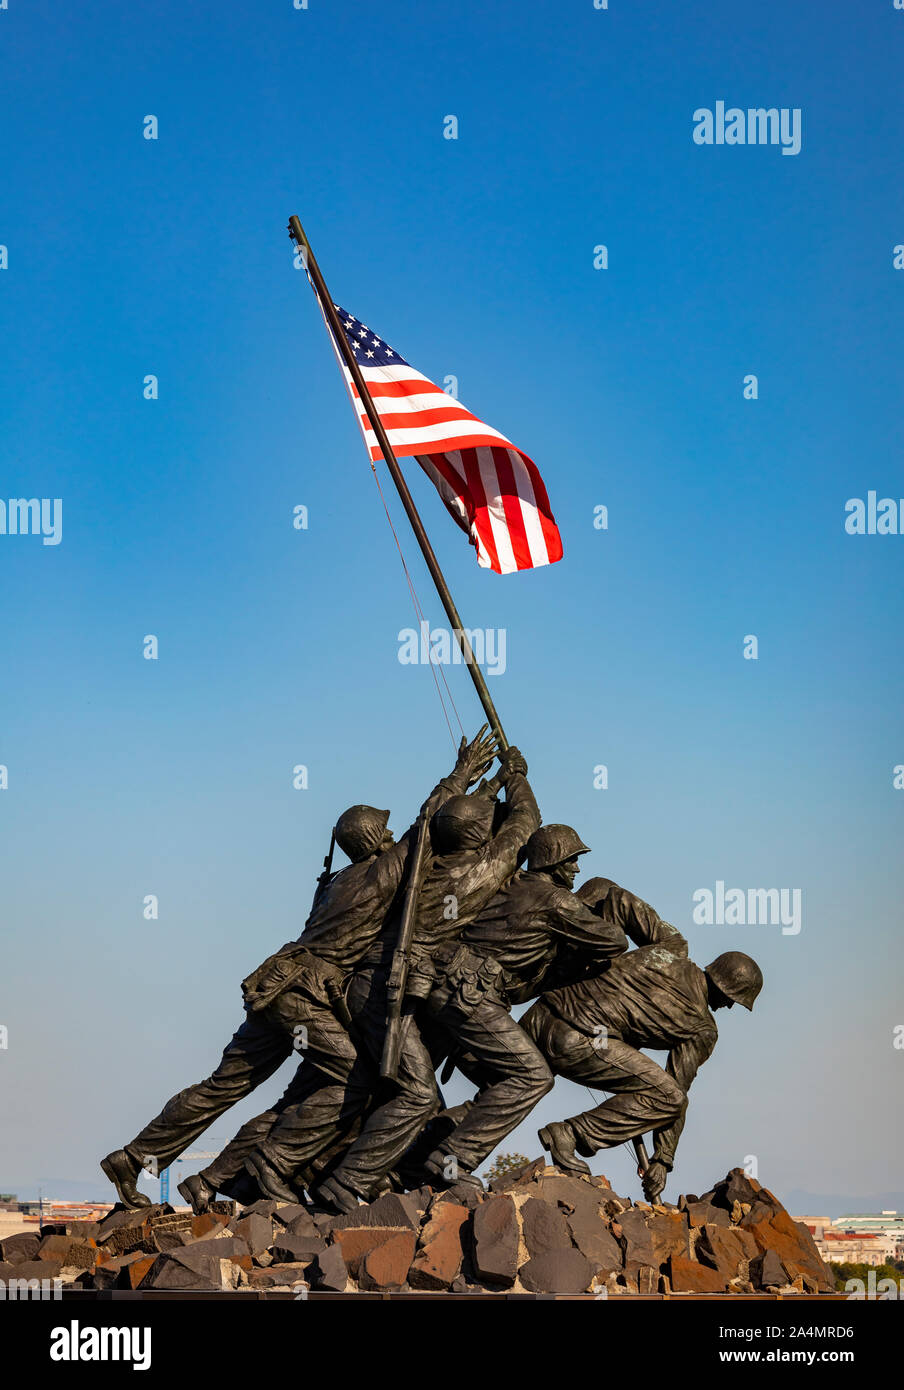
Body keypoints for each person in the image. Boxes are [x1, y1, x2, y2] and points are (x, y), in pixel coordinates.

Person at [99, 729, 497, 1209]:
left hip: (274, 984)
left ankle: (136, 1157)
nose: (393, 836)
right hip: (305, 991)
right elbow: (429, 823)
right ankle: (274, 1165)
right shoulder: (382, 871)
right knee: (357, 1078)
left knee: (222, 1086)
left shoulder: (335, 882)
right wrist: (464, 774)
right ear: (374, 839)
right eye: (385, 832)